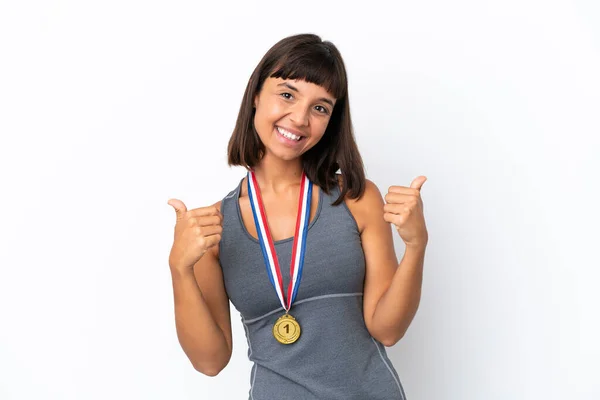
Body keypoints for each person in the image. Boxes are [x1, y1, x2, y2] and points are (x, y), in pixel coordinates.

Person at [167, 33, 428, 400]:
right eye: (287, 95)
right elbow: (210, 361)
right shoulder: (213, 228)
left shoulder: (356, 198)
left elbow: (387, 329)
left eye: (320, 107)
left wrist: (416, 246)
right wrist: (179, 267)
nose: (300, 118)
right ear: (256, 93)